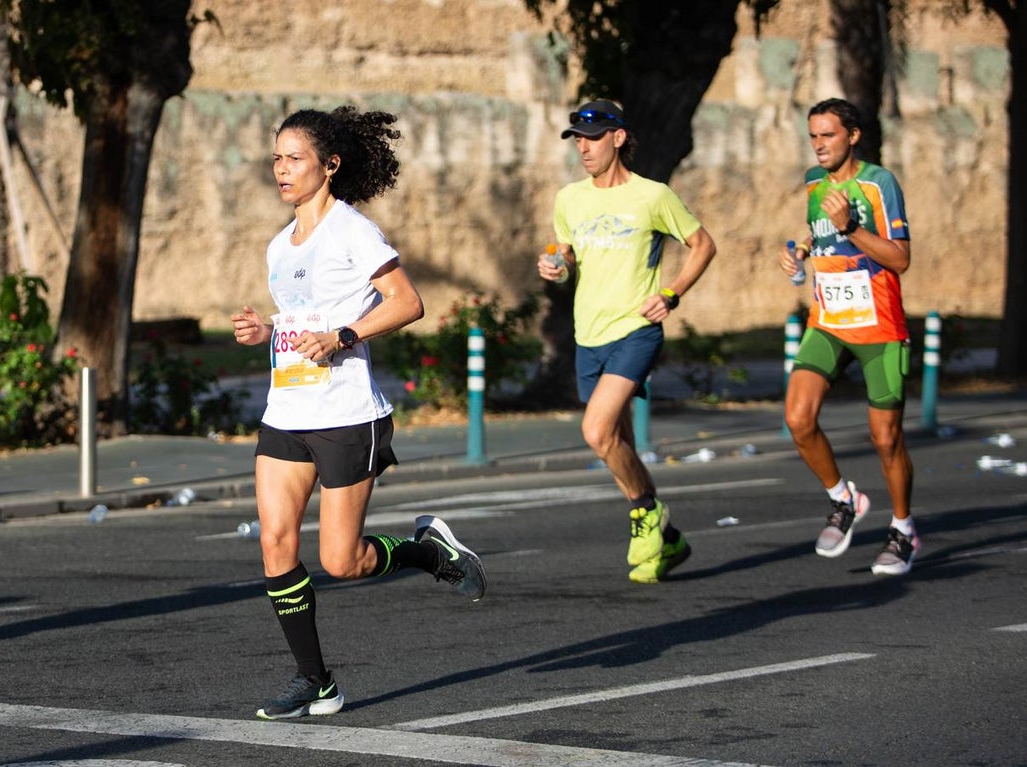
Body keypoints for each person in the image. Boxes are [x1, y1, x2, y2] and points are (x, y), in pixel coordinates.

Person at [231, 106, 486, 721]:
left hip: (348, 415)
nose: (282, 169)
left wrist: (346, 335)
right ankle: (315, 683)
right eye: (276, 158)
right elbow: (300, 324)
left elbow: (408, 302)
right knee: (274, 543)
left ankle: (428, 552)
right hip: (287, 411)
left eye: (294, 158)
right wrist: (265, 330)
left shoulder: (353, 231)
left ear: (329, 165)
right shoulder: (278, 245)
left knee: (342, 562)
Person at [539, 99, 717, 584]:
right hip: (588, 334)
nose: (583, 148)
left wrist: (671, 293)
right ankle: (669, 538)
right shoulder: (570, 199)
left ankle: (645, 514)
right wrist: (557, 266)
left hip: (636, 329)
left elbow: (703, 244)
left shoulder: (652, 196)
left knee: (597, 433)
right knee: (619, 443)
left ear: (618, 138)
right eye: (577, 139)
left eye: (592, 138)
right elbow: (567, 257)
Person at [779, 97, 918, 576]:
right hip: (829, 323)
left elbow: (899, 259)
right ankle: (843, 498)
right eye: (813, 136)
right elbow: (819, 236)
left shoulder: (879, 183)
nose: (818, 145)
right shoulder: (815, 185)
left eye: (828, 135)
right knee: (798, 419)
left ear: (852, 136)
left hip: (879, 326)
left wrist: (852, 226)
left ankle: (903, 529)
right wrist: (799, 252)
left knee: (886, 439)